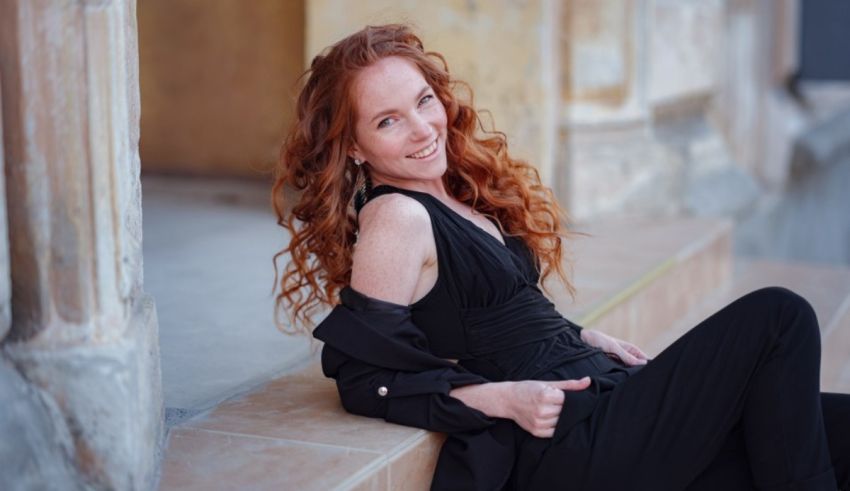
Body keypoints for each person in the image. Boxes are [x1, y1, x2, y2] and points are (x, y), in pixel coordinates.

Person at [271, 24, 850, 491]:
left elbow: (494, 318)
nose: (424, 128)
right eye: (388, 121)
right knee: (780, 318)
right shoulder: (397, 216)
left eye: (424, 101)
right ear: (353, 146)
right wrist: (501, 398)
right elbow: (364, 378)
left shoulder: (450, 194)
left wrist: (583, 337)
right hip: (574, 443)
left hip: (604, 396)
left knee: (830, 432)